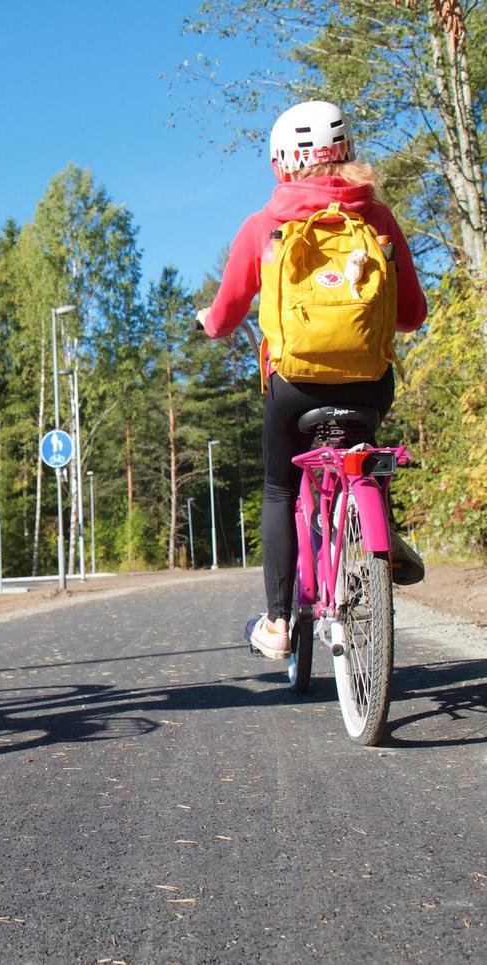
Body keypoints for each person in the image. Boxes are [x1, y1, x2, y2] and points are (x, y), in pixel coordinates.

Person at [196, 99, 427, 659]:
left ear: (282, 163)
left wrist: (209, 321)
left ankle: (277, 623)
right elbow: (412, 314)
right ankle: (380, 529)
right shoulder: (376, 218)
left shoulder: (262, 227)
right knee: (368, 453)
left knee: (279, 487)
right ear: (346, 152)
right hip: (369, 381)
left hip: (293, 385)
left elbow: (225, 319)